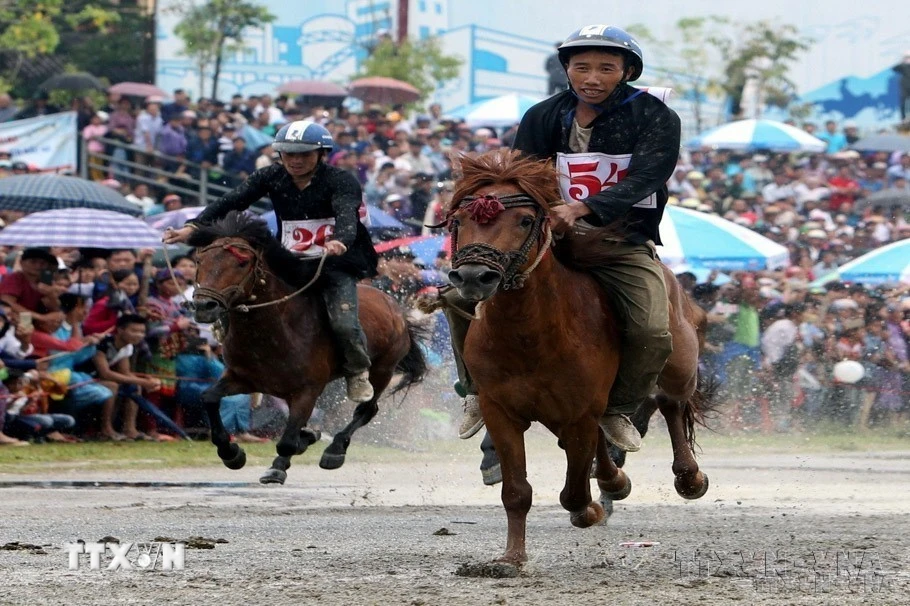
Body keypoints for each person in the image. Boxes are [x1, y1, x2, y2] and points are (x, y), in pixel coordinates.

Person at [447, 24, 680, 460]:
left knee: (651, 329)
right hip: (548, 239)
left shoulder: (655, 115)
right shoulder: (542, 115)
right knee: (460, 296)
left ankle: (618, 409)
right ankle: (477, 391)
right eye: (582, 67)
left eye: (606, 68)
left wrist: (583, 208)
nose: (592, 77)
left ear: (627, 70)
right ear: (567, 70)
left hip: (621, 241)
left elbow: (650, 175)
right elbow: (522, 178)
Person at [163, 120, 378, 403]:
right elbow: (232, 200)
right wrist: (193, 227)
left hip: (335, 260)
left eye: (304, 155)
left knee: (344, 323)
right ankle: (247, 362)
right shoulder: (270, 176)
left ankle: (357, 369)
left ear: (320, 154)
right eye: (289, 154)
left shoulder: (341, 180)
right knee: (239, 286)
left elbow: (347, 214)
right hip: (289, 258)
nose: (295, 161)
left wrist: (340, 240)